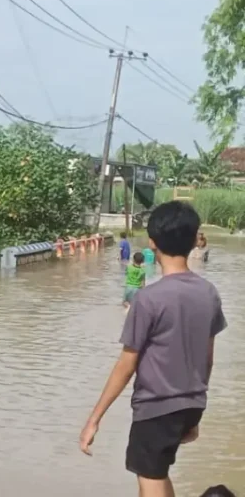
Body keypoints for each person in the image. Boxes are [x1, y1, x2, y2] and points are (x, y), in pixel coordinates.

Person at [79, 201, 227, 497]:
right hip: (192, 403)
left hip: (157, 406)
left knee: (149, 477)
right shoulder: (208, 293)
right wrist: (195, 406)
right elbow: (208, 358)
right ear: (193, 240)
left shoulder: (148, 299)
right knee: (158, 473)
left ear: (152, 242)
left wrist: (94, 419)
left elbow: (126, 365)